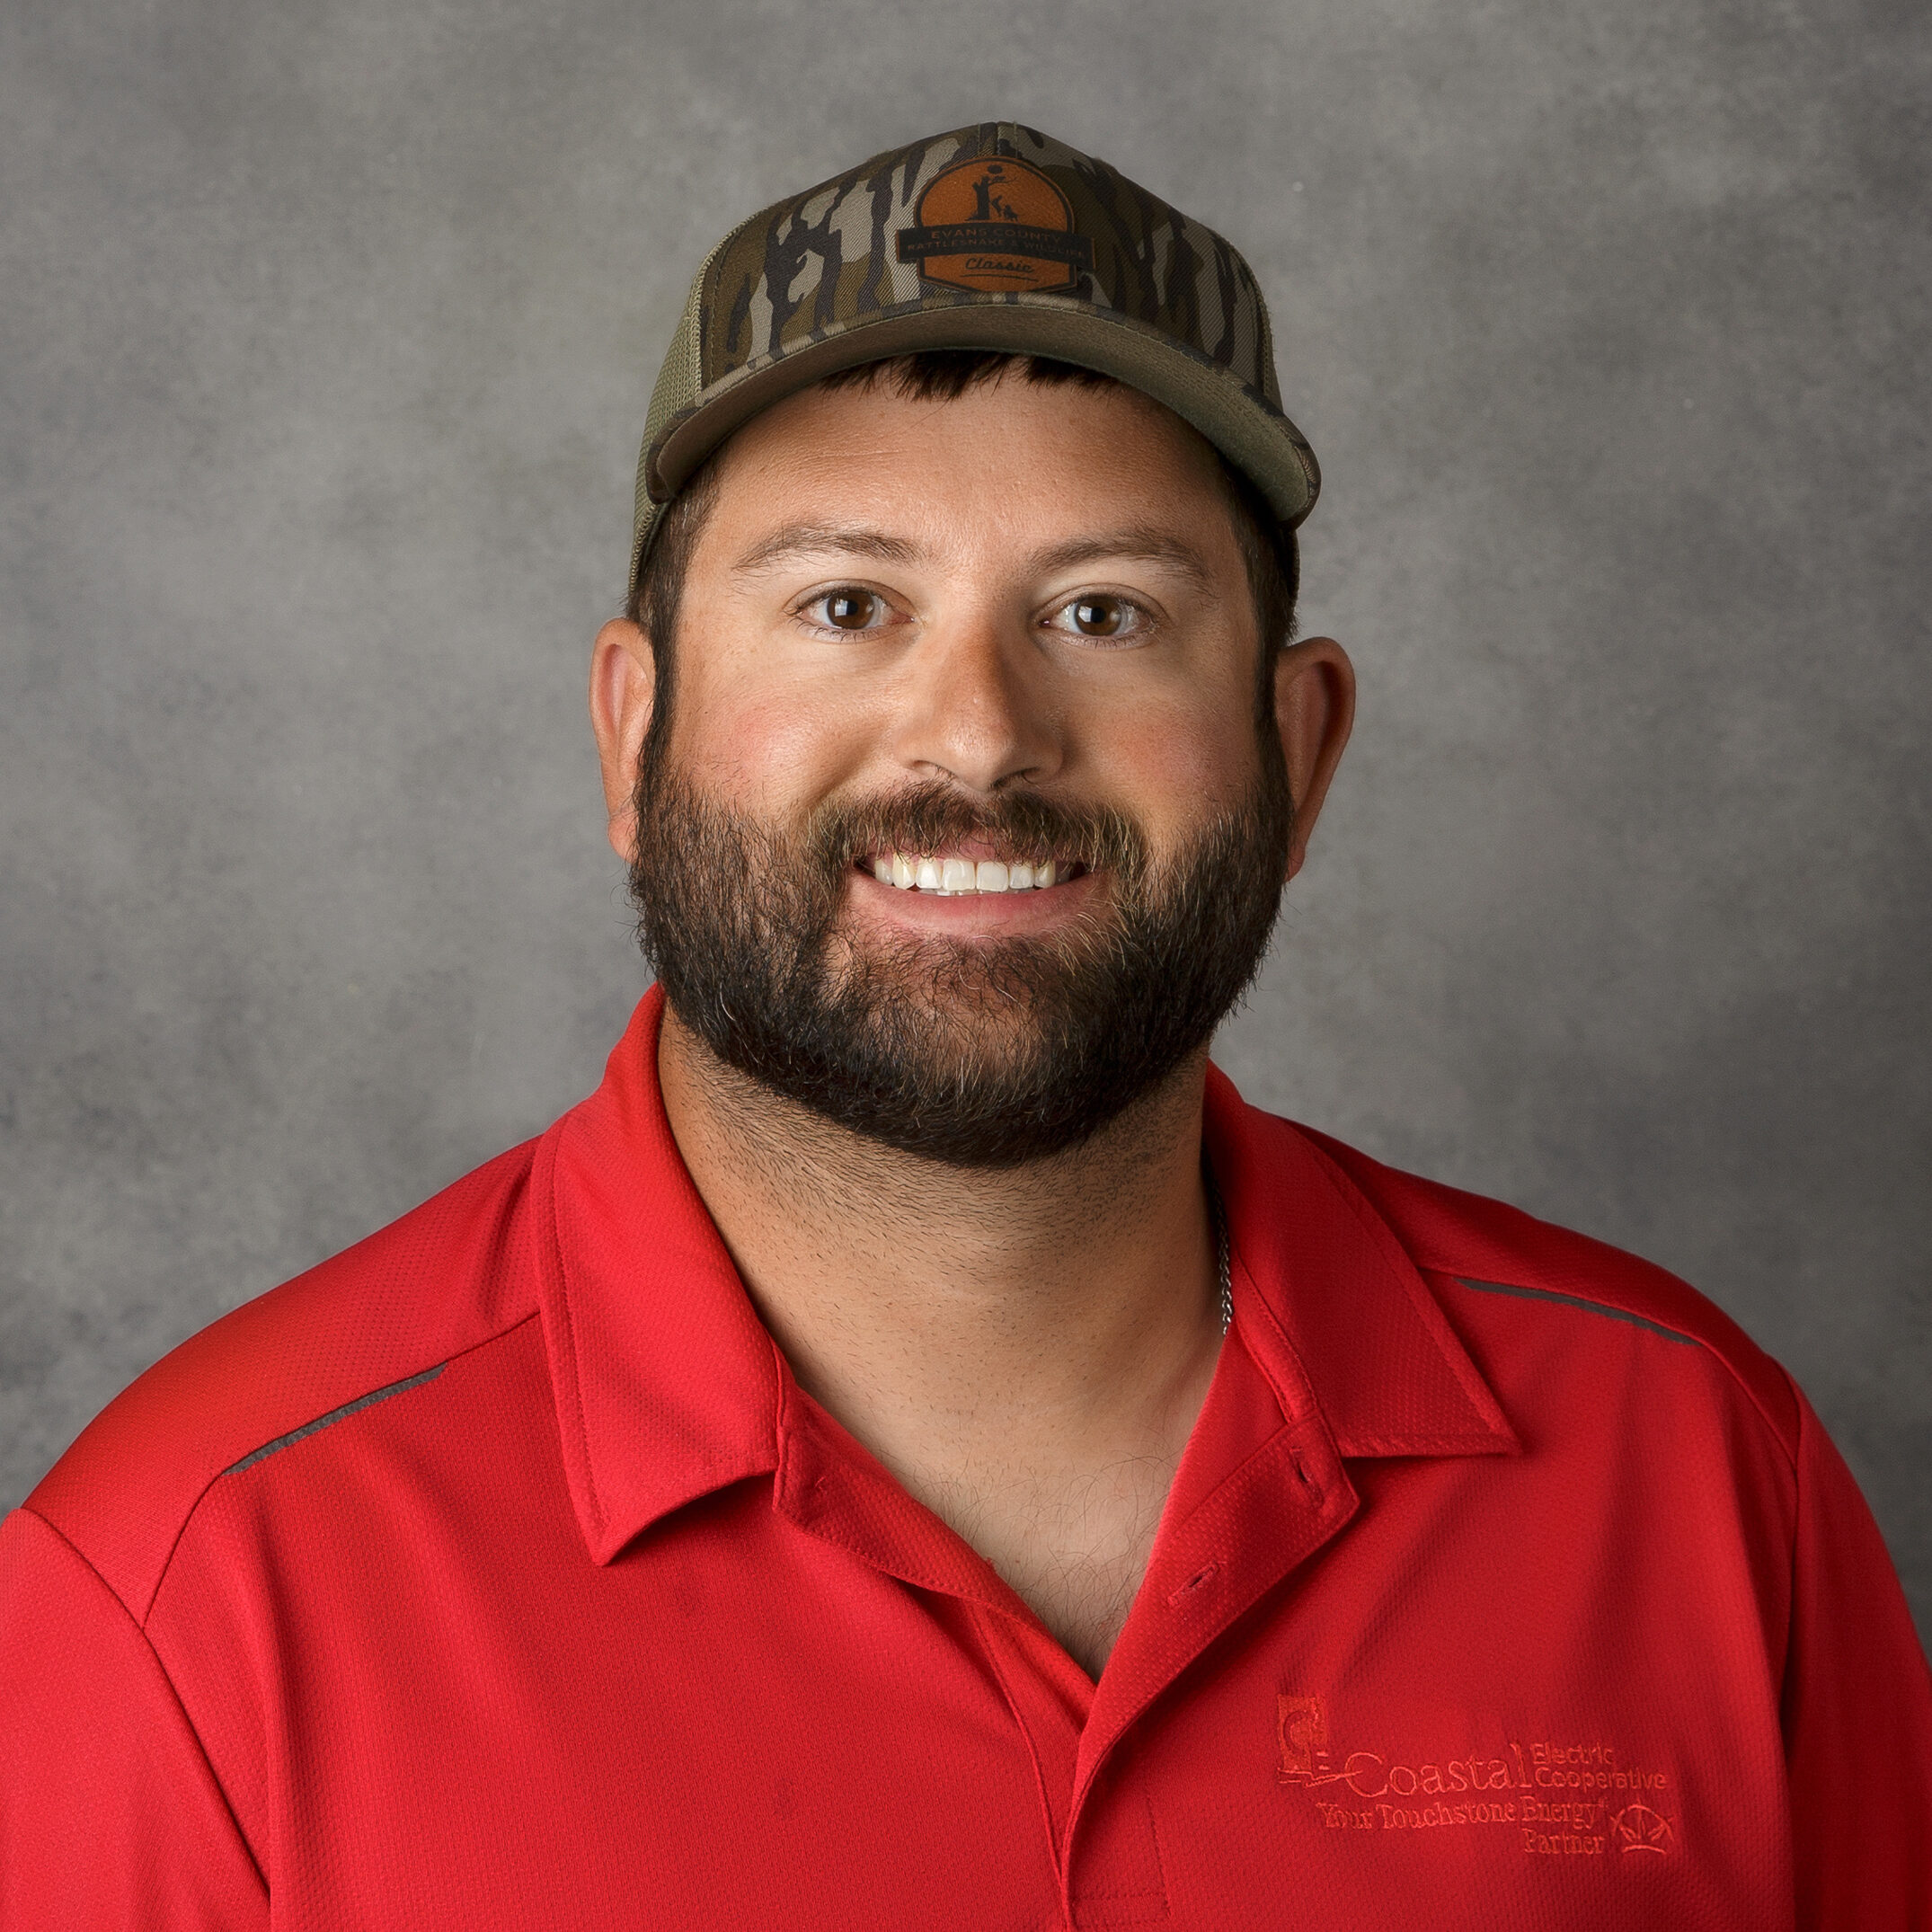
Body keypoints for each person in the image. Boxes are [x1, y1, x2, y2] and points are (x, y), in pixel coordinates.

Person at [1, 121, 1926, 1931]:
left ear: (1297, 747)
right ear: (631, 733)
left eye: (1102, 614)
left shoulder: (1688, 1464)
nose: (980, 737)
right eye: (847, 606)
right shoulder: (189, 1592)